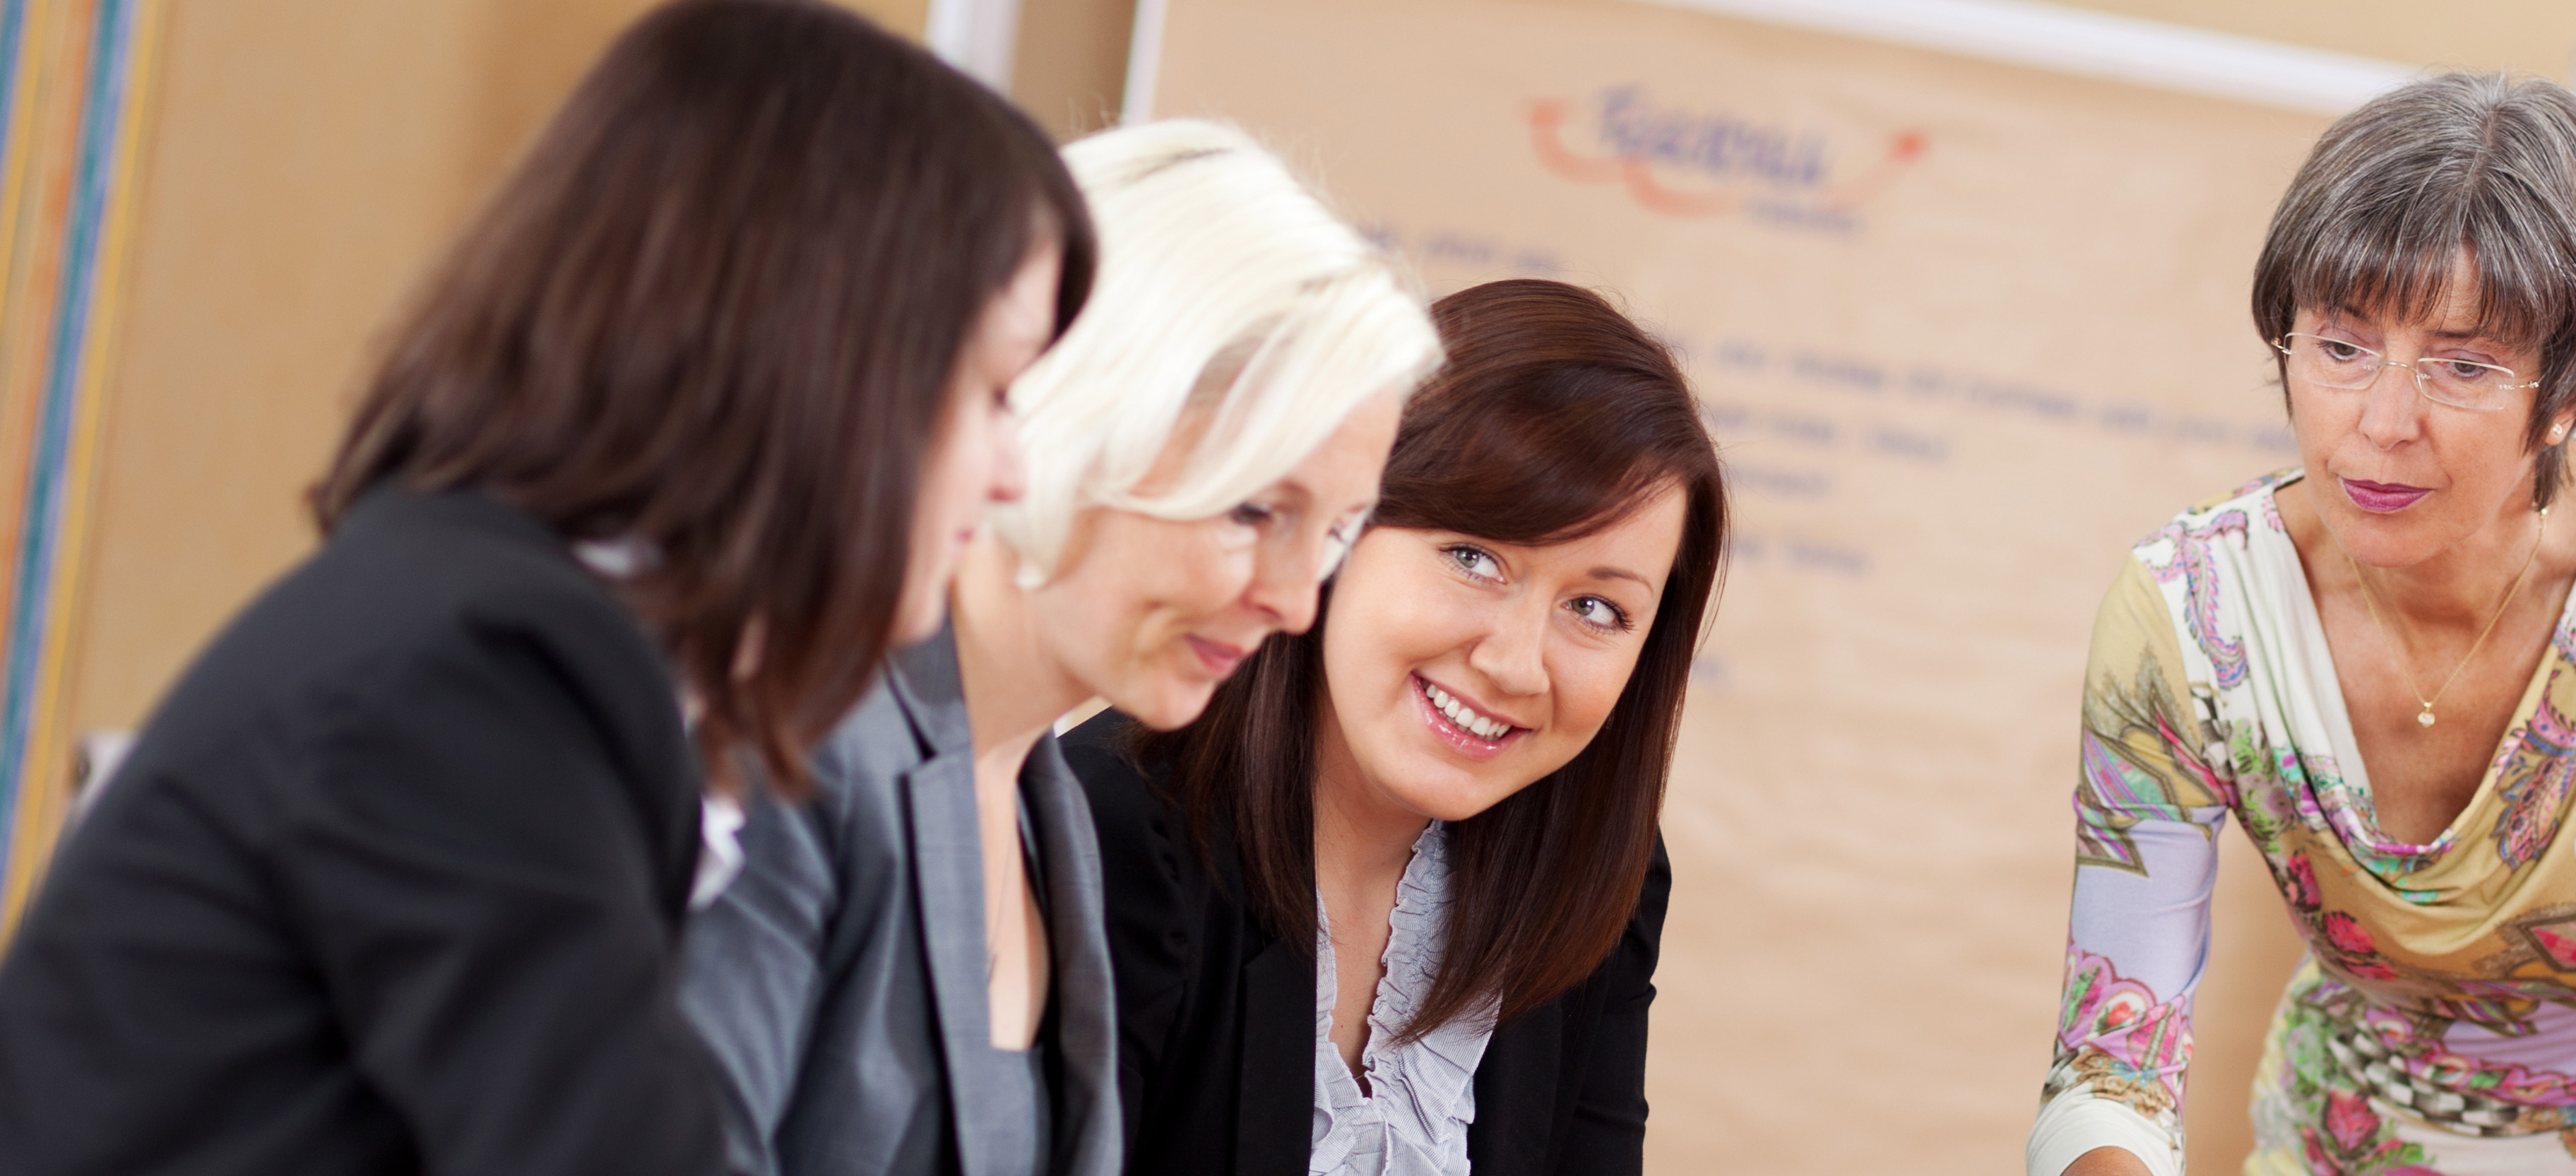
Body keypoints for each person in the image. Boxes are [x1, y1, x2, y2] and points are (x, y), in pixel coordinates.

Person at [0, 3, 1094, 1175]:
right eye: (989, 392)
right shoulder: (492, 673)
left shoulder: (488, 620)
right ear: (820, 359)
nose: (1016, 466)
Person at [2030, 75, 2576, 1176]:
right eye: (2341, 349)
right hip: (2350, 1144)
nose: (2382, 426)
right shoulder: (2189, 618)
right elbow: (2112, 1060)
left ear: (2567, 392)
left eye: (2464, 365)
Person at [677, 118, 1438, 1176]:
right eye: (1256, 510)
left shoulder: (1047, 807)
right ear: (1081, 411)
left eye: (1337, 533)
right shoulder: (791, 747)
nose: (1294, 605)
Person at [1065, 278, 1726, 1176]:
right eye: (1473, 557)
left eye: (1598, 609)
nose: (1514, 664)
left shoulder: (1593, 863)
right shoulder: (1104, 830)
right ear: (1342, 529)